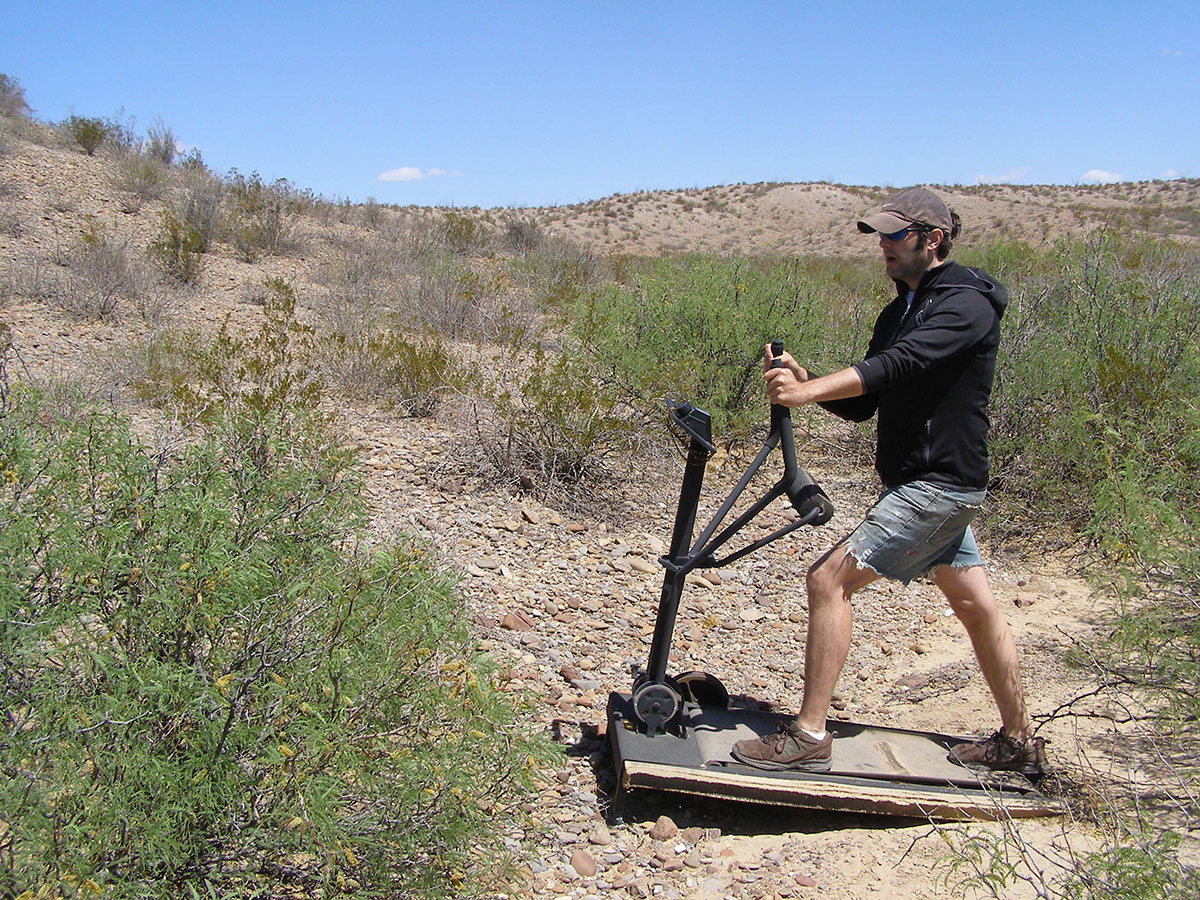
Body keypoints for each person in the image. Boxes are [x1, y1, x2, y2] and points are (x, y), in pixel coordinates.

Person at [731, 187, 1046, 776]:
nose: (883, 246)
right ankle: (1020, 741)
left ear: (933, 239)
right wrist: (809, 379)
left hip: (938, 485)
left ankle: (808, 736)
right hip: (925, 483)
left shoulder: (965, 303)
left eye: (894, 236)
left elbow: (900, 364)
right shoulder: (899, 308)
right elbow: (866, 402)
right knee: (976, 607)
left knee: (828, 581)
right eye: (880, 235)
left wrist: (806, 390)